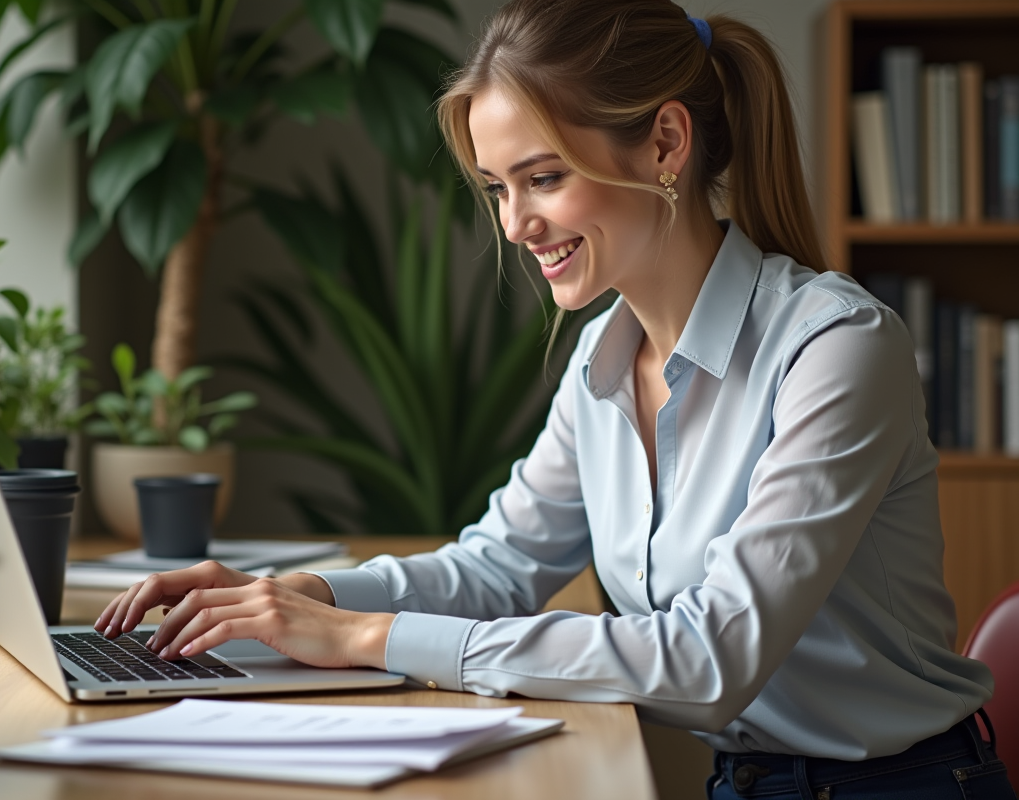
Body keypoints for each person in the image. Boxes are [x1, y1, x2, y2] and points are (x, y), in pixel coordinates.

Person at [96, 1, 1015, 796]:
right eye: (499, 188)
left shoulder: (835, 349)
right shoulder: (601, 361)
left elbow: (707, 661)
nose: (514, 223)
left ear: (664, 143)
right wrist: (298, 596)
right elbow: (495, 571)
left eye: (543, 178)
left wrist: (365, 636)